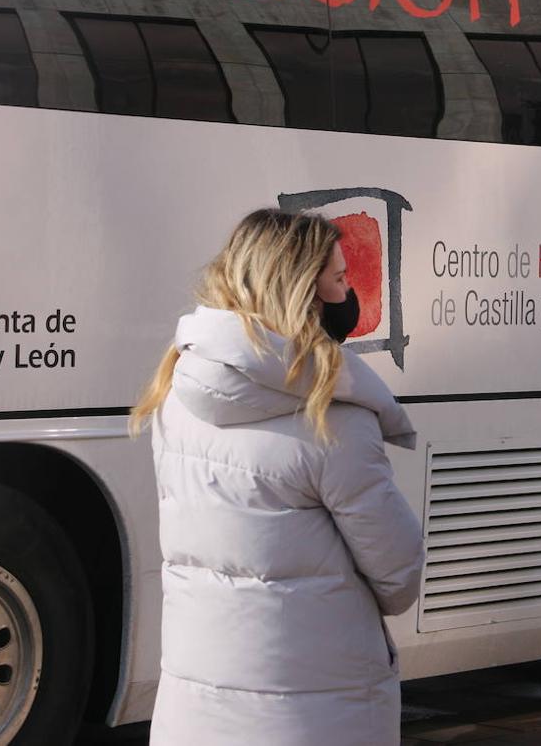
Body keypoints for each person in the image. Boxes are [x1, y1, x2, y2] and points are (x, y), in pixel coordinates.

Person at [130, 208, 425, 746]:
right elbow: (399, 575)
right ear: (302, 292)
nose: (348, 294)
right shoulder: (333, 417)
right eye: (338, 279)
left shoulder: (175, 394)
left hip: (193, 715)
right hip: (317, 715)